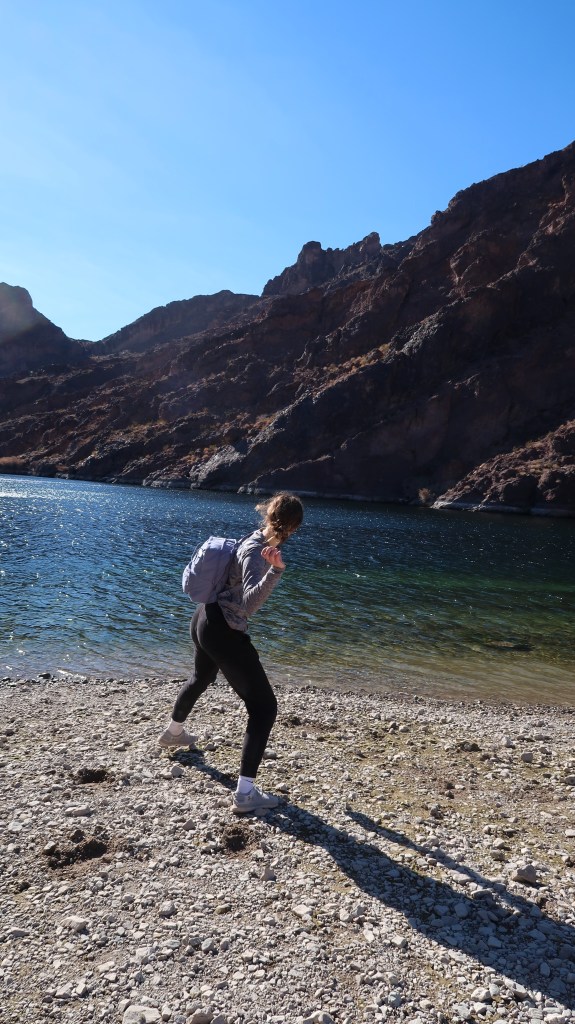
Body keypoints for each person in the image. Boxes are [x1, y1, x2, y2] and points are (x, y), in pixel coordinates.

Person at [158, 492, 304, 814]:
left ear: (267, 514)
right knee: (264, 707)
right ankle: (245, 794)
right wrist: (275, 571)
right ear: (293, 527)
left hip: (203, 618)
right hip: (222, 628)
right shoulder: (257, 551)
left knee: (202, 676)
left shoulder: (251, 537)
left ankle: (173, 733)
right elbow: (249, 604)